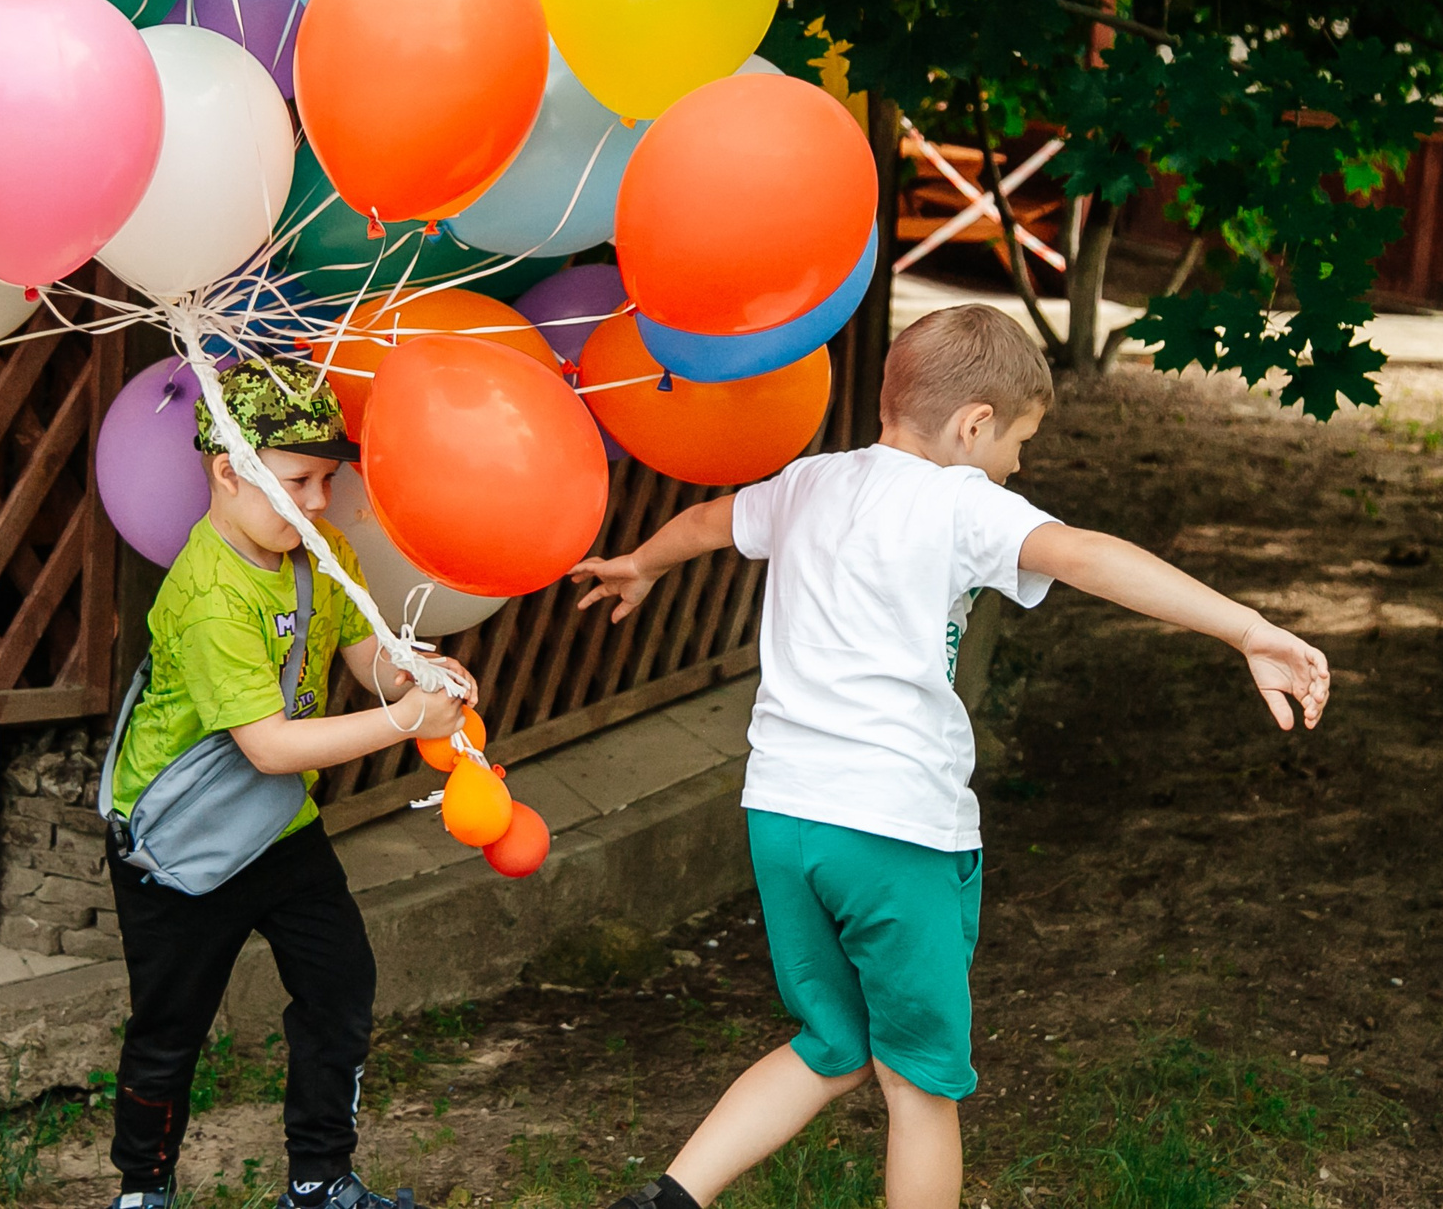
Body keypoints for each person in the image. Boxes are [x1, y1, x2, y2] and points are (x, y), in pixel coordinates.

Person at [571, 305, 1332, 1209]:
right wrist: (1247, 627)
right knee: (919, 1086)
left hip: (782, 818)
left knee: (831, 1046)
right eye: (1020, 441)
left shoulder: (809, 482)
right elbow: (1087, 555)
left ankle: (659, 1204)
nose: (1019, 465)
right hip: (892, 834)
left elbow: (705, 523)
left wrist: (642, 565)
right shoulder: (963, 500)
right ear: (974, 424)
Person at [106, 359, 470, 1209]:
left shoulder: (322, 552)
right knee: (170, 1031)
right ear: (229, 472)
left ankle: (320, 1182)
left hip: (276, 825)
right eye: (298, 480)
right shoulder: (207, 592)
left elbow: (362, 658)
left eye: (328, 481)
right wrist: (407, 725)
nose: (317, 502)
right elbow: (269, 745)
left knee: (340, 988)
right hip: (180, 845)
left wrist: (416, 674)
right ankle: (141, 1193)